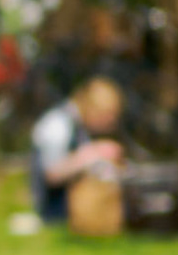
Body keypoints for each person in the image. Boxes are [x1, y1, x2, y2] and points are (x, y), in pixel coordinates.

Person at [30, 76, 125, 223]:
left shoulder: (79, 126)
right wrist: (93, 154)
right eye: (107, 116)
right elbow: (52, 174)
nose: (110, 123)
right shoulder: (58, 124)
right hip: (52, 211)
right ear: (92, 108)